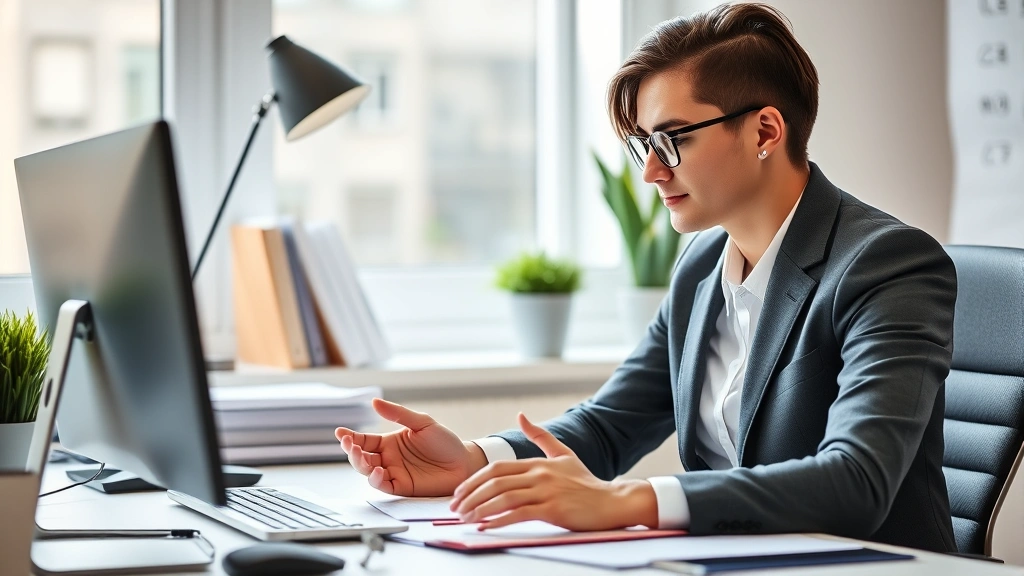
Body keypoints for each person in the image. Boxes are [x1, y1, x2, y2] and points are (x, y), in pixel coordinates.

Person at [335, 2, 957, 553]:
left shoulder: (886, 264)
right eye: (644, 145)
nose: (651, 173)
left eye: (672, 139)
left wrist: (629, 501)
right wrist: (475, 461)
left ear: (765, 130)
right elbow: (612, 423)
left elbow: (858, 479)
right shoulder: (700, 269)